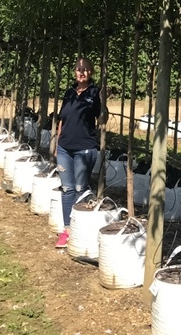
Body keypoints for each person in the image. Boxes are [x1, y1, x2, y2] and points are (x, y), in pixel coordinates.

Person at [54, 57, 101, 249]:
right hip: (65, 147)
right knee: (67, 190)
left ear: (91, 72)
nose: (81, 72)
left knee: (81, 190)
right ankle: (67, 230)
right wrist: (58, 144)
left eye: (85, 69)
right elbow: (62, 120)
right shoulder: (69, 92)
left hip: (85, 148)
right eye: (78, 69)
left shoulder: (95, 92)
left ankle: (81, 228)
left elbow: (102, 116)